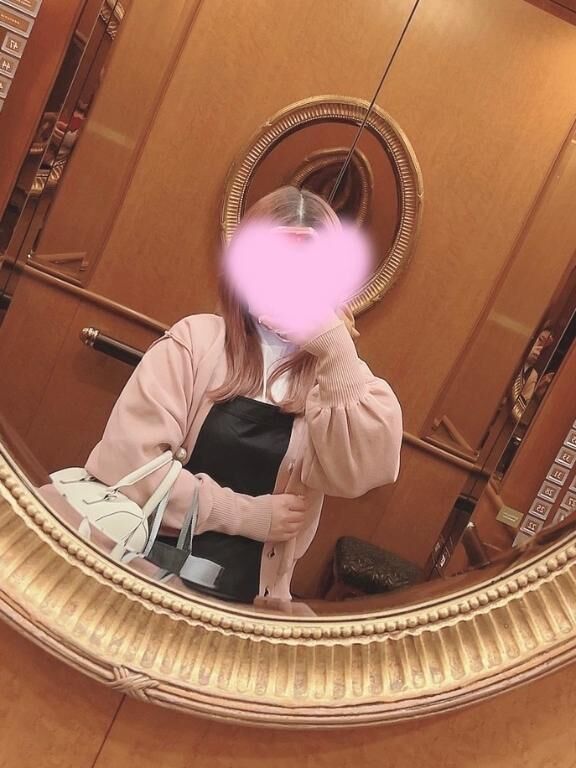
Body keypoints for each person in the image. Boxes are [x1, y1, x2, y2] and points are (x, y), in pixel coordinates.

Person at [85, 186, 403, 605]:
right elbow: (131, 466)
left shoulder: (333, 377)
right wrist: (249, 516)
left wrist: (337, 349)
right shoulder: (196, 341)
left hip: (252, 603)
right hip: (146, 576)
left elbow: (362, 472)